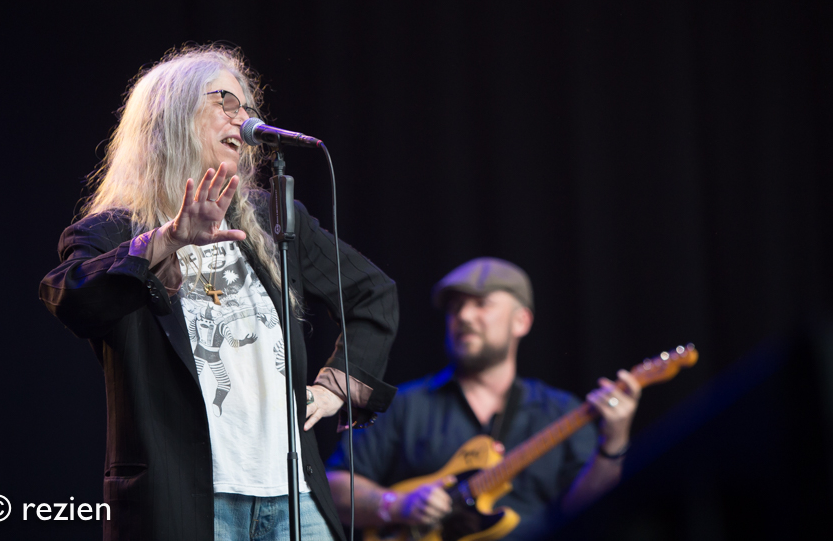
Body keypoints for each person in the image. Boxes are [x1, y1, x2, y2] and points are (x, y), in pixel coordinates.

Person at [40, 46, 399, 541]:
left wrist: (338, 385)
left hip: (295, 498)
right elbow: (71, 297)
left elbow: (372, 292)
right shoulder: (113, 232)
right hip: (189, 502)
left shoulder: (271, 219)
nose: (244, 117)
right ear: (171, 118)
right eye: (225, 101)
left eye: (247, 105)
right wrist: (167, 239)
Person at [326, 257, 641, 540]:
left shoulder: (562, 410)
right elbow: (334, 485)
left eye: (482, 304)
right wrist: (395, 505)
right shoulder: (404, 405)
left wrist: (614, 442)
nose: (463, 315)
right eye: (455, 307)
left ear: (521, 321)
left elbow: (593, 509)